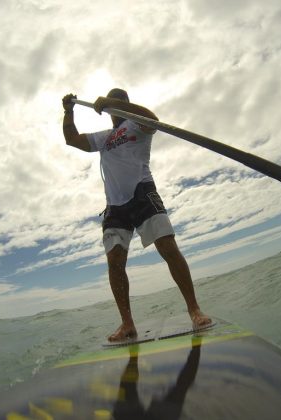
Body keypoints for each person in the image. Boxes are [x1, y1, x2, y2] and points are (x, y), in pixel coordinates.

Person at [62, 88, 211, 342]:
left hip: (142, 192)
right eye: (111, 104)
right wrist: (68, 112)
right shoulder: (104, 137)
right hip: (115, 206)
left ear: (124, 104)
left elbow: (153, 118)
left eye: (117, 102)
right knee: (115, 260)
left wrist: (110, 102)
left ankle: (194, 310)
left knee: (167, 247)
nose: (112, 109)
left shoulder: (138, 125)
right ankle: (127, 324)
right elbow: (72, 139)